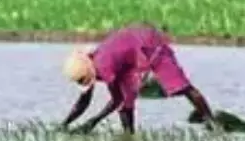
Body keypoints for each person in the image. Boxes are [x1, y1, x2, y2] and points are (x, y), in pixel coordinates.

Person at [60, 23, 214, 135]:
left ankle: (211, 122)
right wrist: (64, 125)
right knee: (126, 103)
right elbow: (84, 100)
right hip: (130, 57)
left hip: (148, 45)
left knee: (180, 86)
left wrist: (93, 121)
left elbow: (116, 99)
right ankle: (129, 136)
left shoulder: (104, 66)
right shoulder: (92, 64)